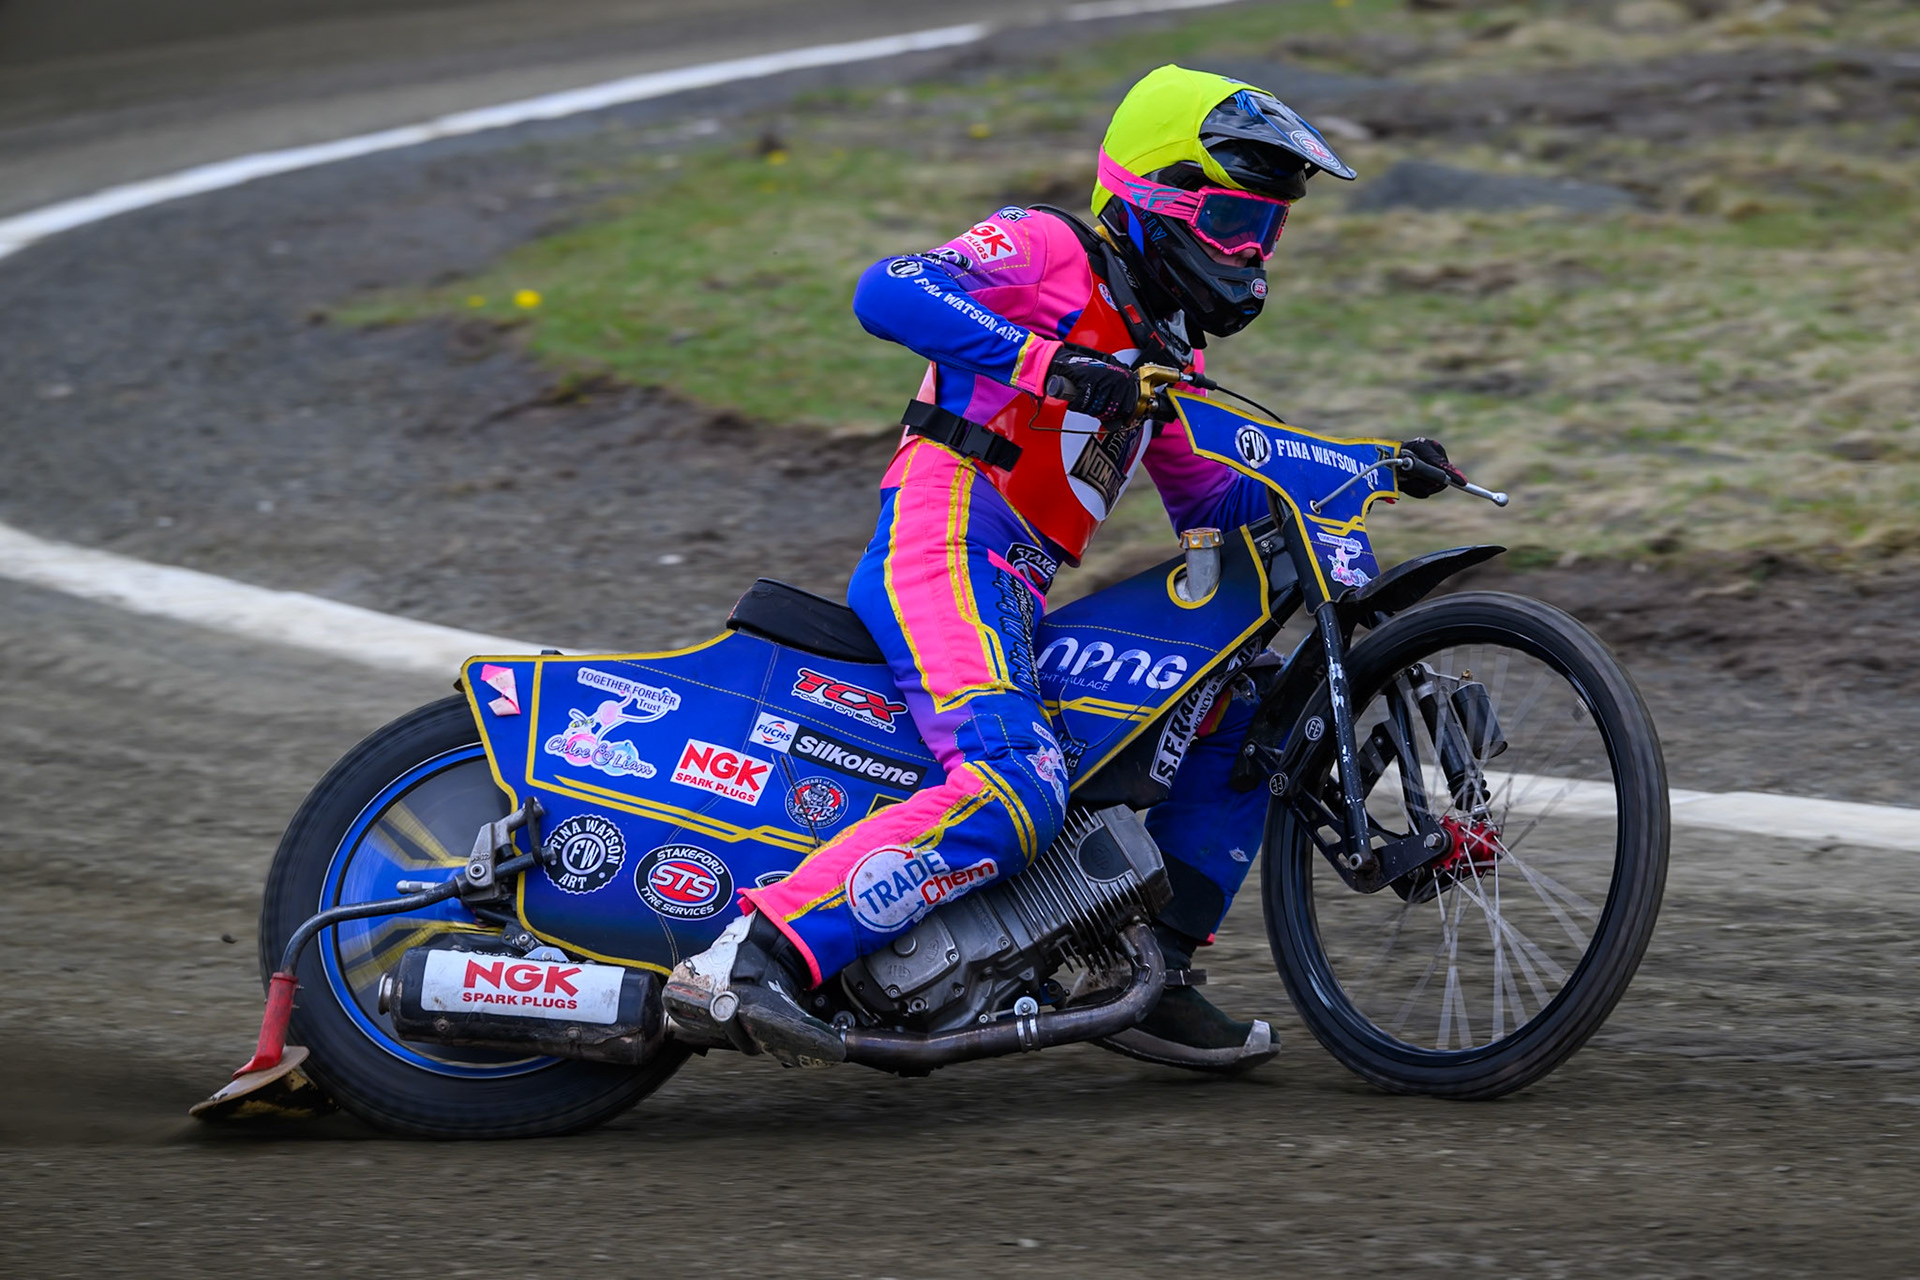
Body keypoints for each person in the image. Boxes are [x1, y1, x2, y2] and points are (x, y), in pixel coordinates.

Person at [668, 65, 1460, 1072]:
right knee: (1015, 779)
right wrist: (1052, 365)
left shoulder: (1166, 358)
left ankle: (1155, 968)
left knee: (1243, 706)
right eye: (1231, 218)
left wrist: (1363, 468)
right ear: (1152, 195)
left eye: (1270, 227)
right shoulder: (1050, 251)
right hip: (945, 535)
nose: (1253, 251)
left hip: (1016, 581)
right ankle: (751, 954)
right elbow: (887, 287)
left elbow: (1208, 501)